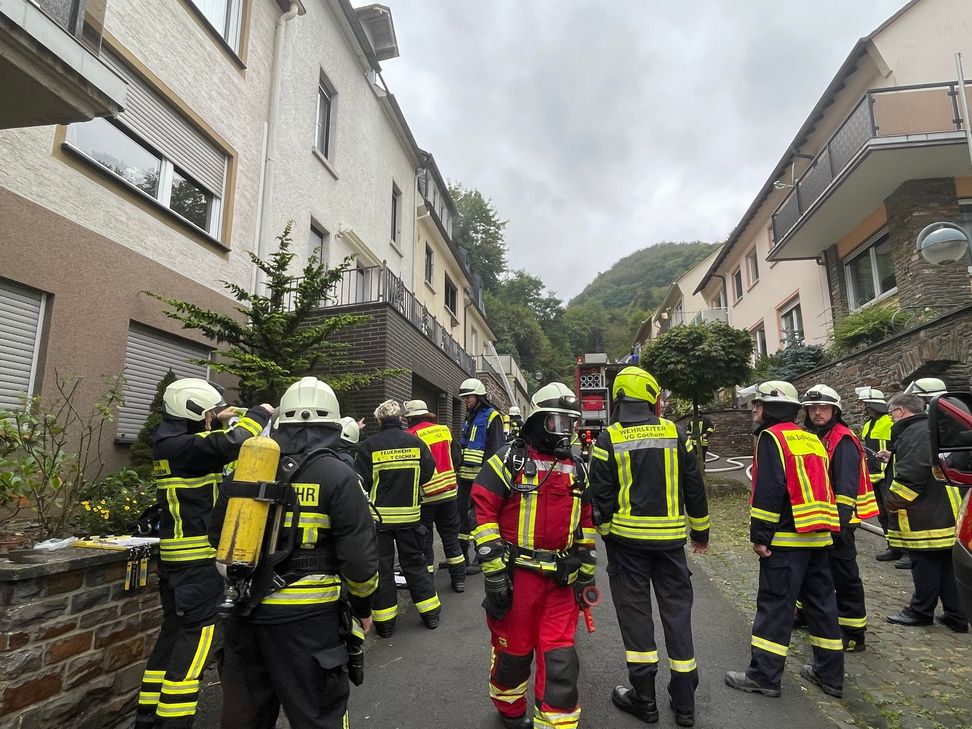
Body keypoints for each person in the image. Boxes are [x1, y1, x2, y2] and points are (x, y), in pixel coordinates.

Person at [213, 376, 379, 729]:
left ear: (281, 421)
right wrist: (363, 607)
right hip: (309, 624)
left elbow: (217, 534)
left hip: (245, 614)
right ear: (333, 424)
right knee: (317, 716)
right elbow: (360, 560)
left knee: (245, 718)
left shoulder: (246, 469)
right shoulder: (339, 475)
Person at [135, 378, 272, 729]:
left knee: (172, 636)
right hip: (196, 563)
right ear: (192, 410)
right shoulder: (186, 447)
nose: (212, 419)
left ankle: (147, 716)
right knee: (196, 643)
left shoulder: (171, 442)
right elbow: (235, 443)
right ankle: (173, 721)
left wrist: (223, 415)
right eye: (207, 413)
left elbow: (211, 444)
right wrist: (257, 413)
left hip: (176, 563)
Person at [589, 366, 709, 727]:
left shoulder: (607, 439)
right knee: (677, 617)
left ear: (620, 398)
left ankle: (645, 701)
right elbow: (694, 487)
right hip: (671, 545)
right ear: (652, 397)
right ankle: (684, 703)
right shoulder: (678, 433)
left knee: (636, 620)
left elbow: (601, 498)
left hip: (627, 547)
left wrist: (609, 534)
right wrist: (700, 533)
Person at [471, 382, 595, 729]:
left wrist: (587, 568)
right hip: (517, 580)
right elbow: (482, 510)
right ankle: (509, 710)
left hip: (561, 583)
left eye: (570, 424)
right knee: (514, 654)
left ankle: (556, 723)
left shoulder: (578, 468)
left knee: (560, 660)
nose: (565, 432)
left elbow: (586, 523)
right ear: (539, 421)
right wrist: (494, 572)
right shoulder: (508, 461)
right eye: (557, 422)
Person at [725, 381, 844, 700]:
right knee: (822, 608)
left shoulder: (771, 438)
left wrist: (760, 536)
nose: (754, 410)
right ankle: (830, 676)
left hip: (787, 542)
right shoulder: (811, 438)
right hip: (818, 539)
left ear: (773, 407)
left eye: (758, 404)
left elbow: (768, 490)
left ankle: (763, 677)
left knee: (776, 609)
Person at [801, 385, 878, 652]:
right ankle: (805, 615)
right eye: (812, 409)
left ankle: (853, 631)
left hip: (840, 523)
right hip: (820, 519)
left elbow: (846, 488)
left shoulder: (842, 439)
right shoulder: (815, 436)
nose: (817, 413)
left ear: (835, 411)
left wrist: (841, 525)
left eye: (823, 408)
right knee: (813, 570)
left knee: (845, 576)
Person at [884, 393, 969, 632]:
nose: (891, 419)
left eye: (891, 414)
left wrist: (892, 503)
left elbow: (912, 475)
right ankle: (957, 615)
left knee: (925, 564)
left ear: (900, 411)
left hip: (926, 514)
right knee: (946, 565)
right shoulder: (929, 428)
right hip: (945, 510)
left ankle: (920, 611)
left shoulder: (913, 433)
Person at [356, 399, 440, 636]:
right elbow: (428, 470)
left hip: (380, 520)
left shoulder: (369, 445)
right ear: (401, 418)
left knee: (382, 569)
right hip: (411, 517)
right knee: (415, 564)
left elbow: (361, 481)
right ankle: (430, 614)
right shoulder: (416, 441)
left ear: (379, 420)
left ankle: (385, 624)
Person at [403, 399, 466, 592]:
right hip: (449, 493)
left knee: (425, 542)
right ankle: (459, 580)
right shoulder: (445, 431)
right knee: (451, 538)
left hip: (427, 496)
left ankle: (428, 584)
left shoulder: (411, 436)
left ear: (411, 418)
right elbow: (457, 458)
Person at [457, 378, 505, 572]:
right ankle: (461, 557)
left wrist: (490, 477)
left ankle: (481, 555)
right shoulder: (469, 416)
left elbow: (496, 449)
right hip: (465, 476)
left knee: (478, 518)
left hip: (481, 478)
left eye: (468, 396)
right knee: (461, 515)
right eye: (464, 397)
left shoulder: (492, 416)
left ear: (478, 396)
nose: (465, 400)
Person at [857, 387, 897, 562]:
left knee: (895, 512)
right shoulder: (868, 424)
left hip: (890, 474)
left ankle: (904, 549)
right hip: (874, 475)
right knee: (882, 513)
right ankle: (892, 546)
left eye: (864, 404)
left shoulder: (890, 421)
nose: (862, 407)